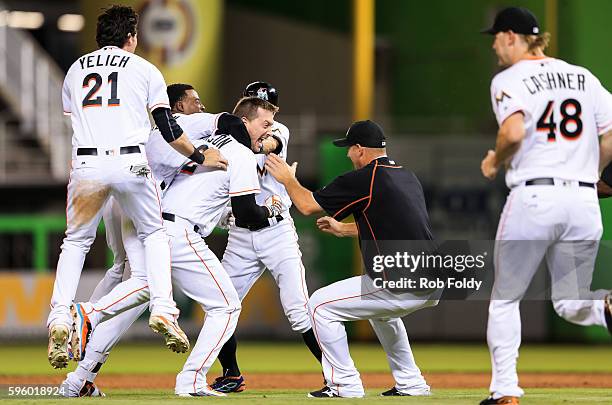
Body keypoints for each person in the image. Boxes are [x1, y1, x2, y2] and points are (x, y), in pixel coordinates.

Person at [61, 96, 284, 397]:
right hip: (177, 232)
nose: (270, 132)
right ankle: (191, 378)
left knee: (141, 292)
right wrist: (272, 210)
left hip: (152, 222)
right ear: (243, 123)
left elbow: (204, 195)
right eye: (265, 124)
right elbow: (248, 213)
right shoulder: (240, 153)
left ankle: (81, 364)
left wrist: (225, 215)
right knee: (227, 306)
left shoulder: (202, 143)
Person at [47, 5, 226, 369]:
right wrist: (199, 156)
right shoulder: (145, 69)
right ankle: (162, 308)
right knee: (154, 235)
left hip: (86, 164)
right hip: (130, 162)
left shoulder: (75, 70)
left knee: (76, 242)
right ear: (131, 36)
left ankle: (60, 318)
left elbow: (75, 117)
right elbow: (168, 129)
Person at [479, 7, 612, 405]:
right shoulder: (583, 77)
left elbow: (514, 131)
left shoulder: (509, 78)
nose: (494, 47)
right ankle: (608, 308)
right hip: (584, 200)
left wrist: (493, 160)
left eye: (496, 38)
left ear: (510, 36)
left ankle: (505, 392)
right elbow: (610, 136)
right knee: (572, 303)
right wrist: (591, 171)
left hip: (535, 196)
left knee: (505, 297)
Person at [265, 120, 439, 398]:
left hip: (399, 277)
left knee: (319, 306)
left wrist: (287, 179)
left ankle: (343, 383)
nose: (347, 155)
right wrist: (344, 228)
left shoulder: (364, 178)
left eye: (349, 149)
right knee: (381, 315)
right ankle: (411, 383)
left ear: (359, 149)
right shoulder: (406, 175)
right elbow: (396, 222)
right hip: (432, 276)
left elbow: (308, 205)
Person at [211, 81, 322, 394]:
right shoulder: (224, 138)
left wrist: (256, 142)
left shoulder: (278, 131)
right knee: (219, 304)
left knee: (299, 310)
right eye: (259, 108)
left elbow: (267, 144)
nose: (267, 117)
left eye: (269, 110)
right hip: (240, 235)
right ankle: (231, 374)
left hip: (277, 232)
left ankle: (337, 373)